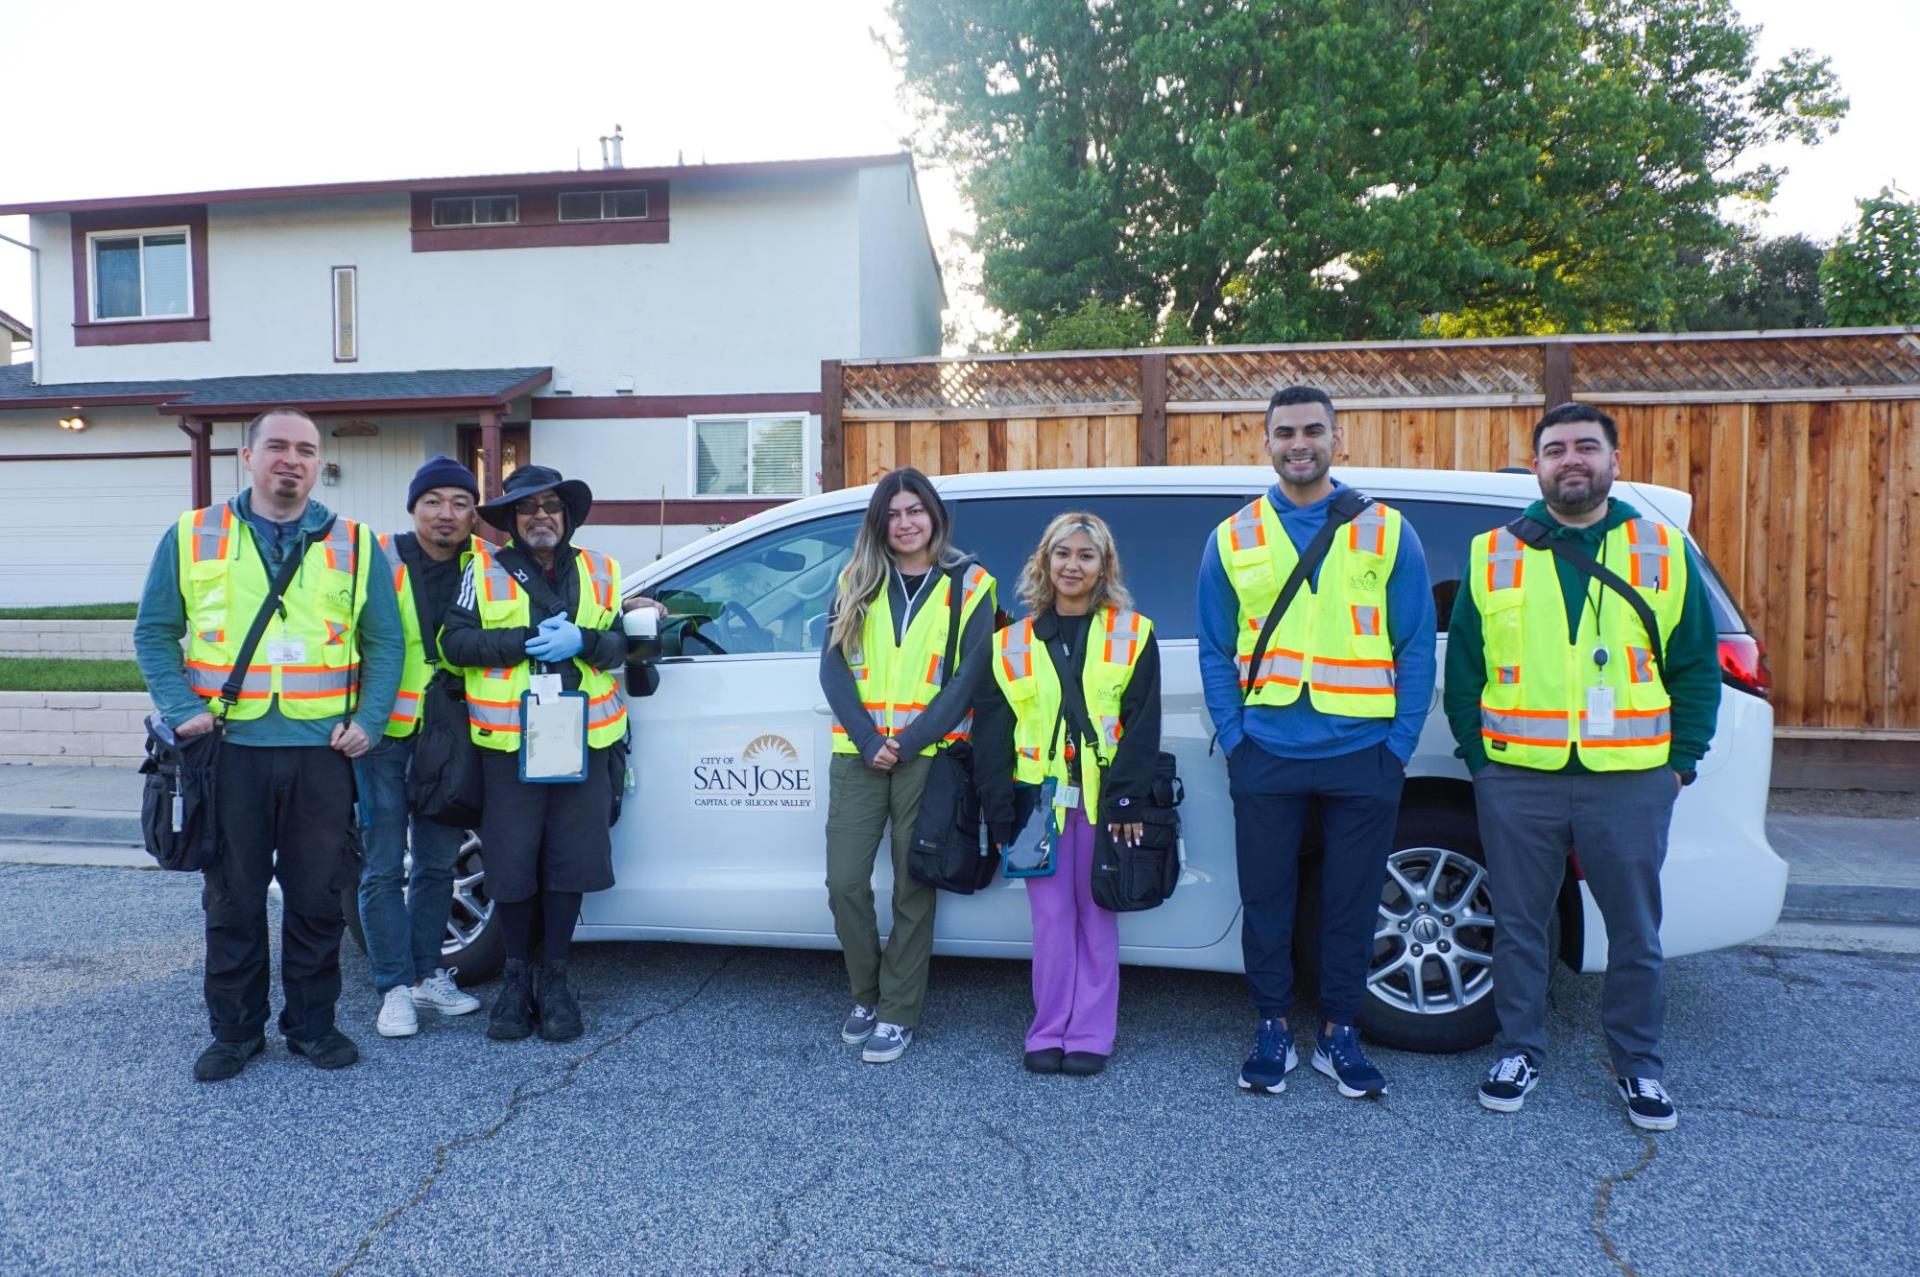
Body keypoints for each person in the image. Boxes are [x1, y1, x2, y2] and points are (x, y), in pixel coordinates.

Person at [1446, 402, 1720, 1131]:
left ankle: (1639, 1066)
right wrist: (1482, 762)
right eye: (1557, 448)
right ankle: (1517, 1048)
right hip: (1518, 776)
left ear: (1613, 461)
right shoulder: (1492, 552)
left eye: (1586, 447)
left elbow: (1696, 667)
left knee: (1634, 929)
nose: (1572, 459)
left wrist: (1679, 766)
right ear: (1537, 466)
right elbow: (1465, 668)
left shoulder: (1660, 549)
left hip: (1630, 780)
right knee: (1520, 923)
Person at [133, 406, 403, 1082]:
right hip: (229, 752)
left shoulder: (358, 542)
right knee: (233, 898)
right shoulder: (192, 534)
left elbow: (387, 640)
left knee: (317, 898)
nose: (292, 459)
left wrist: (369, 717)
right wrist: (180, 708)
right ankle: (236, 1032)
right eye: (277, 446)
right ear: (247, 457)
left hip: (322, 753)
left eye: (306, 450)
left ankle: (313, 1026)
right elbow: (155, 631)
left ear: (318, 464)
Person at [1198, 384, 1436, 1098]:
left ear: (1338, 438)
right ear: (1265, 443)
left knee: (1351, 901)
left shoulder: (1389, 530)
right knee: (1266, 897)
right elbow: (1215, 647)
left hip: (1363, 753)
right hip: (1267, 749)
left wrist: (1398, 747)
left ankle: (1340, 1031)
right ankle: (1273, 1025)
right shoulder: (1232, 536)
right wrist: (1236, 740)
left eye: (1311, 430)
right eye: (1284, 433)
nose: (1297, 443)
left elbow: (1416, 643)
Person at [439, 465, 628, 1044]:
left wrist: (586, 642)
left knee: (569, 862)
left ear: (566, 515)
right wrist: (522, 641)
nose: (540, 516)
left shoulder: (603, 569)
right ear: (513, 522)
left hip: (583, 740)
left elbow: (621, 642)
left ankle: (556, 980)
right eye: (527, 509)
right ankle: (516, 978)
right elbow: (454, 644)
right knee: (513, 865)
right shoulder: (483, 570)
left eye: (550, 506)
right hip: (510, 744)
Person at [820, 467, 996, 1064]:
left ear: (934, 516)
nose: (905, 523)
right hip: (858, 754)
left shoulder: (970, 584)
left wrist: (911, 739)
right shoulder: (856, 579)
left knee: (912, 889)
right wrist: (870, 740)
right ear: (880, 522)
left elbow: (969, 678)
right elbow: (833, 669)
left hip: (930, 758)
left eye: (915, 510)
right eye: (893, 513)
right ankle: (866, 994)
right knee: (844, 883)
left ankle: (898, 1011)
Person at [976, 512, 1161, 1077]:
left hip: (1105, 804)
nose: (1072, 565)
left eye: (1086, 555)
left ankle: (1091, 1033)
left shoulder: (1133, 634)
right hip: (1038, 806)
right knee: (1052, 920)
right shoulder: (1009, 643)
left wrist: (1127, 801)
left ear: (1104, 566)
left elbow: (1142, 722)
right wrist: (999, 812)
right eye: (1062, 553)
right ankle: (1048, 1028)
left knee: (1097, 916)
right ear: (1044, 561)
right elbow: (990, 733)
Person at [358, 457, 487, 1038]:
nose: (446, 514)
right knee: (384, 863)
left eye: (460, 503)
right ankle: (393, 986)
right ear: (414, 508)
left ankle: (428, 973)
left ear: (473, 514)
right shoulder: (378, 557)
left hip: (450, 735)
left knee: (436, 862)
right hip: (382, 731)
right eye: (433, 501)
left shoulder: (484, 565)